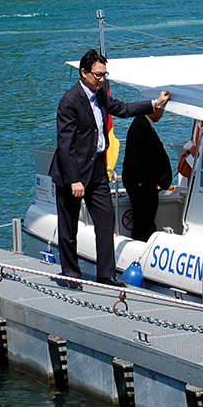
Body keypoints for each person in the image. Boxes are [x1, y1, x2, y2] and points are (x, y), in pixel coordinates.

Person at [49, 49, 171, 288]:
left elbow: (123, 109)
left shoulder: (102, 93)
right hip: (71, 172)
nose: (102, 79)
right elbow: (65, 146)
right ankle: (71, 275)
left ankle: (105, 275)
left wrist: (155, 103)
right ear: (84, 73)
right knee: (68, 226)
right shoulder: (69, 102)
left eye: (105, 75)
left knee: (106, 221)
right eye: (97, 75)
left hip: (96, 170)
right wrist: (74, 180)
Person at [122, 107, 173, 242]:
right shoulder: (141, 126)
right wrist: (142, 182)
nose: (162, 115)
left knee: (145, 220)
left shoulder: (143, 124)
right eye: (161, 111)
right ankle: (141, 246)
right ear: (154, 109)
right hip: (142, 184)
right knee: (143, 222)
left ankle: (143, 242)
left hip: (144, 183)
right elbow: (135, 157)